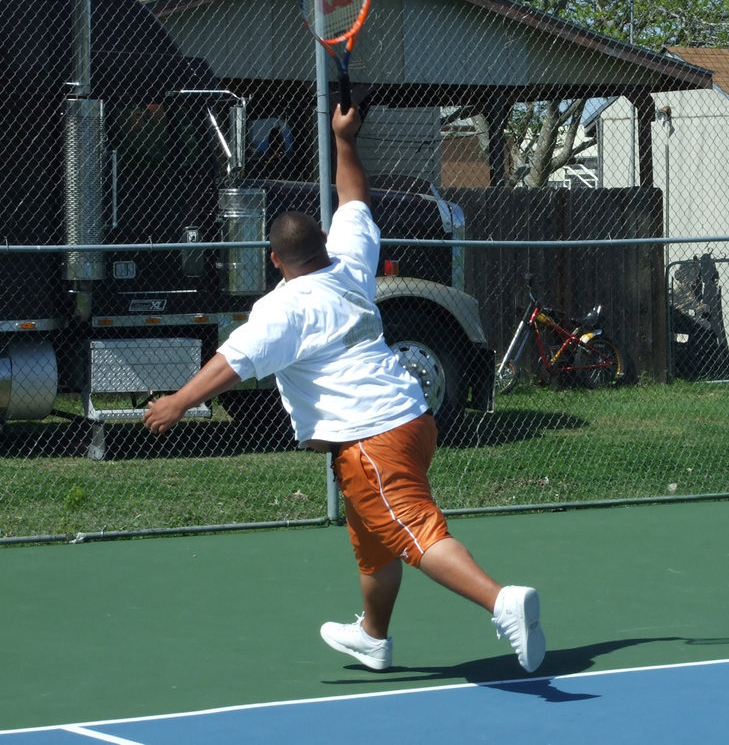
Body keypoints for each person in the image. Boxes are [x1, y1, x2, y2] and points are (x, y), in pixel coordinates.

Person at [142, 102, 545, 674]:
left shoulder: (282, 307)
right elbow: (354, 199)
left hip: (371, 438)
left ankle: (499, 601)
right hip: (412, 420)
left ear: (275, 259)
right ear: (324, 246)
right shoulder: (352, 262)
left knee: (413, 530)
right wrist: (343, 139)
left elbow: (232, 360)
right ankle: (373, 637)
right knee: (373, 538)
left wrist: (177, 403)